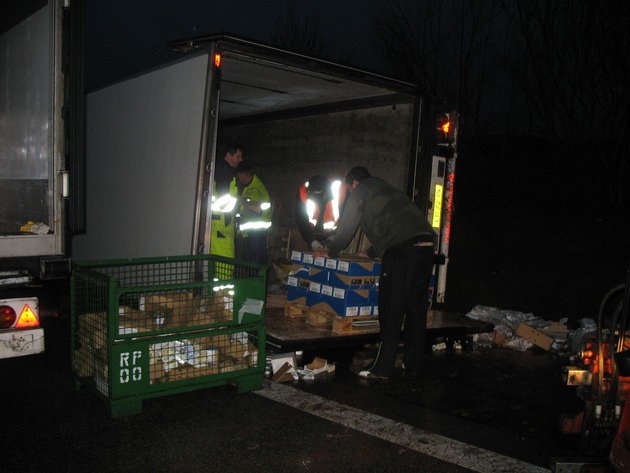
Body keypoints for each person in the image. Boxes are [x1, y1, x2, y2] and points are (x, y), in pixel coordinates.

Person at [313, 166, 436, 382]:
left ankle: (382, 368)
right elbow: (394, 224)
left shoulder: (361, 191)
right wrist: (370, 252)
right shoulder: (388, 190)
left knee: (391, 309)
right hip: (425, 249)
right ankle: (413, 364)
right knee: (416, 309)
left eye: (349, 190)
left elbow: (348, 224)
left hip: (402, 252)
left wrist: (331, 250)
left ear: (354, 184)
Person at [230, 161, 272, 266]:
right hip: (254, 233)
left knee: (253, 264)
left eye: (240, 176)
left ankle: (253, 281)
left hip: (255, 234)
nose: (239, 179)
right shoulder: (252, 186)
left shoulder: (255, 189)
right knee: (255, 263)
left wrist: (238, 203)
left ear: (246, 174)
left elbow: (254, 210)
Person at [294, 175, 345, 251]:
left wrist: (337, 235)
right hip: (312, 235)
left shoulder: (340, 191)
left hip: (333, 237)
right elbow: (301, 219)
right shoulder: (302, 193)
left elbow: (347, 216)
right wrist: (311, 240)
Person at [211, 143, 243, 259]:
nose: (240, 159)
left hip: (221, 224)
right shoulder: (224, 173)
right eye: (238, 156)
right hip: (221, 225)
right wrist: (239, 207)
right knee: (224, 262)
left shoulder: (224, 171)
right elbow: (224, 200)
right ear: (229, 155)